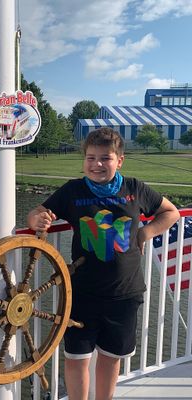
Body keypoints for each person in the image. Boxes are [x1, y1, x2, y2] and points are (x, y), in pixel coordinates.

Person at [27, 127, 179, 400]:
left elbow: (171, 212)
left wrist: (145, 232)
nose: (97, 164)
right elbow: (38, 212)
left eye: (105, 158)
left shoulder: (134, 188)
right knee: (76, 358)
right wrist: (36, 220)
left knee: (110, 358)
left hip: (125, 294)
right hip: (82, 294)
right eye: (91, 158)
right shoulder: (73, 190)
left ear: (119, 161)